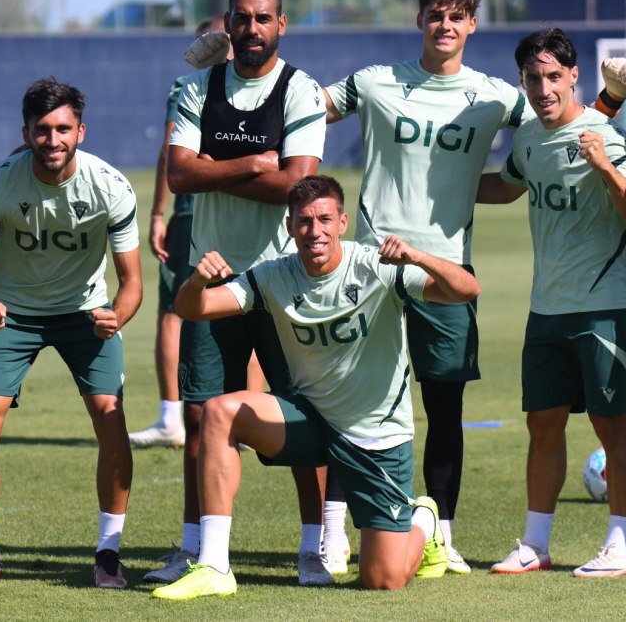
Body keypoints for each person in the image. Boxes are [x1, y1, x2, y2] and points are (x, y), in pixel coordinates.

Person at [316, 0, 626, 574]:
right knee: (355, 406)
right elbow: (307, 108)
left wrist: (610, 104)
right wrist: (226, 77)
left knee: (444, 410)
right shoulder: (375, 82)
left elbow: (562, 122)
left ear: (472, 24)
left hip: (446, 271)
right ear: (420, 21)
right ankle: (334, 533)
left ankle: (442, 537)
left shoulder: (497, 95)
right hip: (369, 266)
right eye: (435, 14)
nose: (445, 24)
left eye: (457, 15)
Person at [153, 175, 481, 600]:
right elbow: (191, 309)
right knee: (219, 411)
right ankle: (215, 565)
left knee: (383, 579)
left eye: (325, 219)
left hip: (375, 438)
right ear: (290, 227)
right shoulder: (272, 276)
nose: (315, 231)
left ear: (342, 222)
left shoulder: (377, 267)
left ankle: (424, 521)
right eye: (304, 221)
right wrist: (198, 280)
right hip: (310, 421)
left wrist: (418, 257)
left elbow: (465, 290)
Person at [145, 0, 332, 588]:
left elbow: (298, 185)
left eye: (263, 18)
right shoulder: (200, 86)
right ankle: (200, 550)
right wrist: (254, 163)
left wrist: (213, 171)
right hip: (213, 275)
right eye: (242, 19)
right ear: (228, 24)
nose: (252, 28)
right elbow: (177, 173)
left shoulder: (301, 89)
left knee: (304, 414)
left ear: (282, 24)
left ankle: (319, 545)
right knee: (200, 418)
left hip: (284, 279)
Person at [0, 77, 142, 590]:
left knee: (111, 418)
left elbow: (132, 283)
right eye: (42, 130)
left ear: (81, 130)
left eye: (63, 129)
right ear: (26, 132)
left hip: (85, 312)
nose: (52, 140)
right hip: (13, 313)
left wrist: (117, 316)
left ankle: (108, 554)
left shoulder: (111, 187)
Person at [477, 28, 626, 578]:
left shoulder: (608, 135)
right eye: (534, 77)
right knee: (543, 426)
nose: (544, 87)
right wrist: (443, 180)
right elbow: (508, 185)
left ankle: (619, 547)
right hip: (545, 310)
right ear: (522, 80)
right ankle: (536, 544)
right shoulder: (527, 137)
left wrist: (603, 165)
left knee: (611, 425)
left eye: (554, 76)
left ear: (576, 76)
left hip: (604, 308)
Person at [129, 17, 264, 449]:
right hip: (251, 214)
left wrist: (156, 212)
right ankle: (251, 414)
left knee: (176, 312)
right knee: (254, 310)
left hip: (195, 213)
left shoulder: (189, 85)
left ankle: (173, 414)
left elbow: (170, 151)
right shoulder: (266, 83)